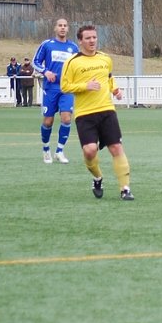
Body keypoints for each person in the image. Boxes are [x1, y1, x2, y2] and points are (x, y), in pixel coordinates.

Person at [59, 25, 133, 201]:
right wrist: (86, 86)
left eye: (94, 37)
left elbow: (109, 78)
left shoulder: (105, 59)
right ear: (80, 41)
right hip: (85, 113)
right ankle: (97, 178)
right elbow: (65, 86)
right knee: (90, 151)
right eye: (88, 38)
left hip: (106, 110)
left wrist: (115, 90)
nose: (92, 41)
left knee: (116, 147)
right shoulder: (72, 62)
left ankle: (125, 188)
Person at [33, 18, 79, 164]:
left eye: (65, 25)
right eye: (60, 25)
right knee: (48, 121)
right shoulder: (47, 45)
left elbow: (77, 66)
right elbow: (36, 61)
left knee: (66, 118)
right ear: (55, 28)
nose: (63, 28)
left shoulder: (73, 47)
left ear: (68, 28)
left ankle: (59, 151)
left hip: (67, 88)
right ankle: (46, 149)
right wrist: (45, 72)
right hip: (50, 88)